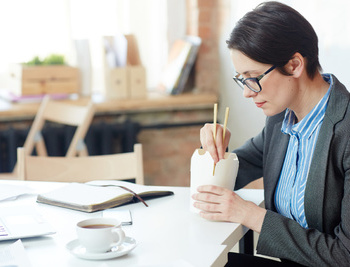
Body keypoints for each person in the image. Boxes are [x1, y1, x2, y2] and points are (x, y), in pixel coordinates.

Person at [192, 1, 350, 266]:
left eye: (253, 77)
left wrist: (251, 215)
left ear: (294, 65)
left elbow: (345, 255)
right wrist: (214, 151)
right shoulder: (281, 120)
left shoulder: (344, 131)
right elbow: (235, 171)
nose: (246, 92)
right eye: (241, 78)